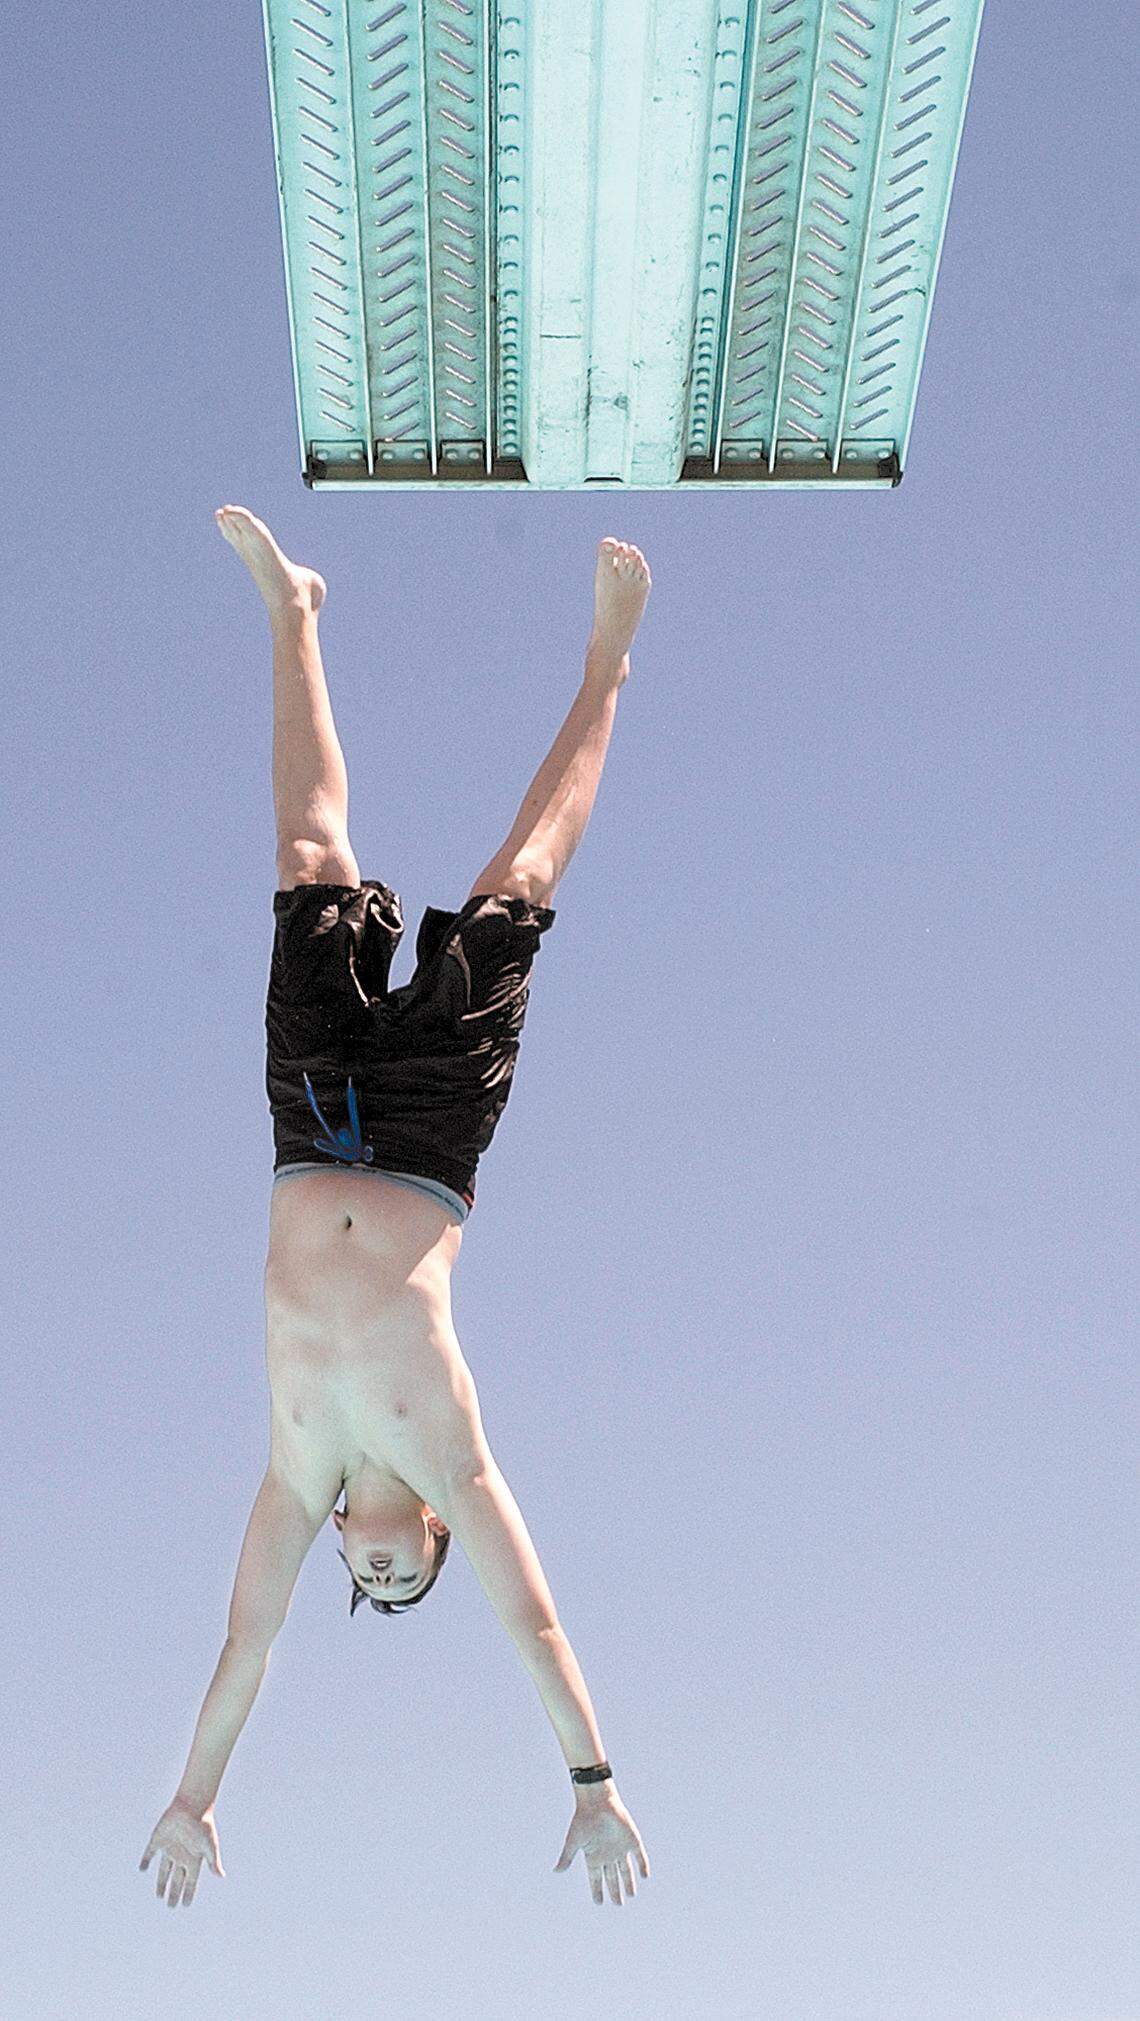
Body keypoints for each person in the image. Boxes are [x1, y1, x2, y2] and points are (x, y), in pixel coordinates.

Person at [140, 506, 652, 1910]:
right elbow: (533, 1622)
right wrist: (592, 1779)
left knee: (311, 860)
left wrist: (196, 1794)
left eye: (372, 1584)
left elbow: (245, 1646)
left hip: (312, 1128)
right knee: (517, 892)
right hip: (428, 1137)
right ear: (429, 1531)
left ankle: (292, 612)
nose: (379, 1565)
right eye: (407, 1572)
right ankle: (606, 666)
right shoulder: (459, 1463)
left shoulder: (297, 1481)